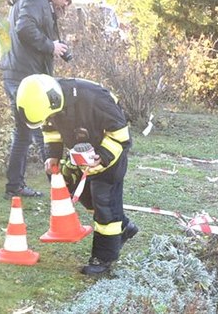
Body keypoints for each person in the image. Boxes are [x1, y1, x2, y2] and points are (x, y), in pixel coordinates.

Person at [16, 74, 138, 275]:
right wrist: (53, 155)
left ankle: (103, 259)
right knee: (85, 197)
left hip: (110, 155)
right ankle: (125, 228)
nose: (47, 120)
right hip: (82, 156)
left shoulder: (96, 98)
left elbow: (121, 136)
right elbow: (51, 130)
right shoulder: (49, 103)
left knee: (104, 201)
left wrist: (103, 157)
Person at [0, 0, 78, 198]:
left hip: (21, 73)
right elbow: (24, 28)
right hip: (24, 76)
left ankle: (16, 186)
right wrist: (49, 46)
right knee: (40, 128)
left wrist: (54, 45)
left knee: (25, 132)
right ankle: (56, 184)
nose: (67, 3)